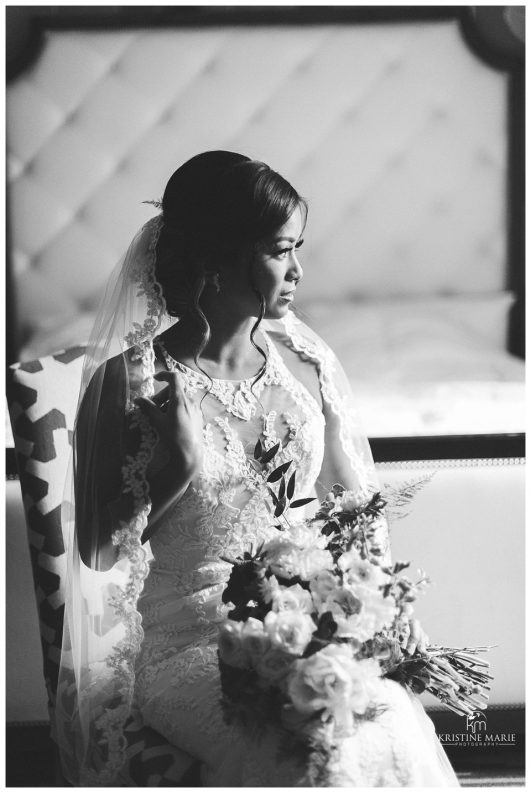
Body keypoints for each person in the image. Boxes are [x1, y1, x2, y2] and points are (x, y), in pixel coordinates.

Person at [55, 151, 459, 786]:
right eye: (279, 250)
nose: (298, 270)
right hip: (184, 647)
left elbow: (351, 518)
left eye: (298, 247)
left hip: (305, 628)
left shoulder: (305, 367)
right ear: (215, 258)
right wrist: (178, 468)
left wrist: (373, 612)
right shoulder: (129, 384)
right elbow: (94, 558)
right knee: (311, 756)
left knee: (388, 727)